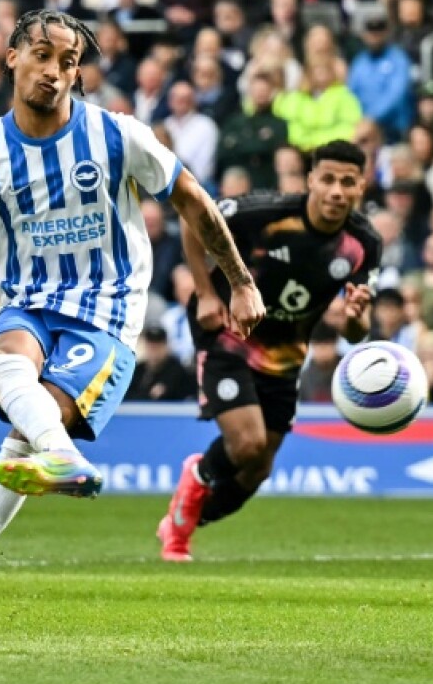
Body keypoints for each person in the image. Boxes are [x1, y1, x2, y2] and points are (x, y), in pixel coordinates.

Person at [0, 9, 264, 630]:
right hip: (29, 303)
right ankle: (46, 475)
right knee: (7, 358)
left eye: (68, 61)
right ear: (11, 57)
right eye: (42, 54)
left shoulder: (117, 135)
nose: (55, 70)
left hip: (106, 308)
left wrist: (241, 282)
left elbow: (192, 200)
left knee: (24, 441)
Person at [158, 140, 381, 562]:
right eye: (328, 179)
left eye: (347, 183)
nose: (336, 191)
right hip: (227, 333)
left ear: (361, 188)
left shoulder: (363, 244)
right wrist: (205, 292)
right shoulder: (266, 213)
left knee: (258, 467)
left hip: (285, 354)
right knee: (247, 445)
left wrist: (355, 316)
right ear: (311, 180)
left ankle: (186, 517)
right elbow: (192, 217)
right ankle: (185, 513)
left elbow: (356, 332)